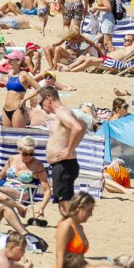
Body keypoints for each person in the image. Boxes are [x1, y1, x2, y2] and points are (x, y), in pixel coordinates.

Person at [41, 85, 87, 217]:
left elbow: (78, 127)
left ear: (48, 98)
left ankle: (72, 229)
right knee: (65, 204)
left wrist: (68, 150)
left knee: (65, 207)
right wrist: (73, 146)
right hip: (64, 164)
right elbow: (83, 125)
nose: (41, 107)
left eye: (41, 102)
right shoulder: (64, 111)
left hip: (64, 165)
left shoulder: (62, 112)